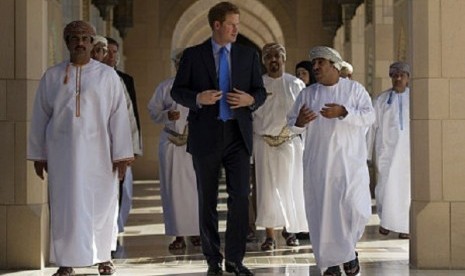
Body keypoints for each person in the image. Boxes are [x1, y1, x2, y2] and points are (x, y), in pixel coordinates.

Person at [27, 20, 134, 276]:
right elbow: (40, 117)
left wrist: (121, 156)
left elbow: (118, 117)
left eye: (85, 38)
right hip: (62, 156)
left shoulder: (107, 76)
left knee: (102, 205)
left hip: (100, 155)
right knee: (65, 208)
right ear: (67, 42)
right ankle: (66, 261)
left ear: (92, 42)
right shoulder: (52, 76)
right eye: (74, 38)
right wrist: (39, 155)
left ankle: (104, 257)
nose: (80, 43)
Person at [171, 2, 266, 275]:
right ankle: (213, 259)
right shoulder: (193, 55)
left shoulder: (248, 56)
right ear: (216, 25)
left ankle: (235, 259)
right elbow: (179, 91)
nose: (237, 29)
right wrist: (197, 99)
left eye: (237, 24)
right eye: (231, 24)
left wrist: (250, 100)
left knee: (240, 197)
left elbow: (259, 92)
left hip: (238, 135)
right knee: (207, 199)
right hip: (206, 135)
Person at [287, 46, 375, 276]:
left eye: (320, 63)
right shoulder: (307, 94)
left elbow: (369, 116)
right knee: (323, 215)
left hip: (350, 165)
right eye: (313, 63)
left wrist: (344, 112)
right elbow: (291, 125)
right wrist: (299, 121)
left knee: (356, 209)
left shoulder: (354, 90)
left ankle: (348, 251)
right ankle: (331, 263)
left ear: (334, 65)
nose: (315, 67)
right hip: (319, 166)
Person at [253, 43, 308, 251]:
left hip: (289, 142)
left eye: (277, 56)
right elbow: (251, 116)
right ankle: (269, 235)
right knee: (267, 190)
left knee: (290, 187)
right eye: (268, 57)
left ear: (284, 59)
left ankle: (291, 231)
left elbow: (304, 114)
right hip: (264, 143)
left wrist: (294, 131)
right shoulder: (257, 85)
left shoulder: (296, 84)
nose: (273, 60)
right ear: (264, 61)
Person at [147, 49, 201, 251]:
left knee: (195, 189)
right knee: (172, 190)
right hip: (170, 141)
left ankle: (196, 232)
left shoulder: (199, 87)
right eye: (179, 63)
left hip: (193, 143)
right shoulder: (165, 87)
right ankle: (178, 234)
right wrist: (167, 115)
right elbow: (153, 111)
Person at [103, 37, 143, 236]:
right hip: (96, 145)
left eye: (114, 52)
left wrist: (133, 148)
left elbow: (131, 115)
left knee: (120, 190)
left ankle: (112, 232)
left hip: (119, 147)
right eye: (107, 51)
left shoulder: (124, 80)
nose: (111, 56)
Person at [367, 61, 411, 240]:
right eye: (394, 75)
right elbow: (371, 127)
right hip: (387, 151)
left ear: (408, 78)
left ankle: (405, 226)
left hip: (408, 153)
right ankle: (386, 221)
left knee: (406, 189)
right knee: (385, 187)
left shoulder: (416, 98)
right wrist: (366, 154)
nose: (398, 78)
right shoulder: (381, 100)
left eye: (402, 75)